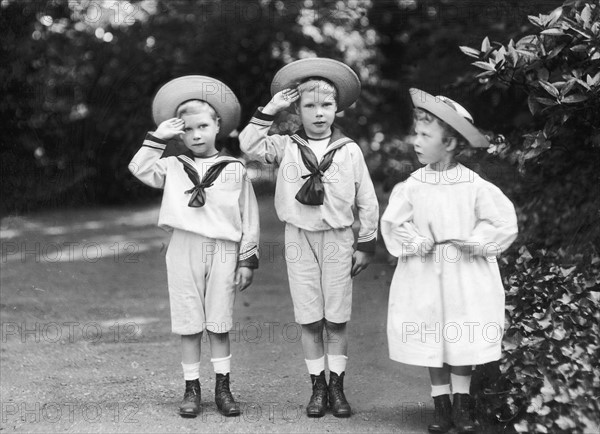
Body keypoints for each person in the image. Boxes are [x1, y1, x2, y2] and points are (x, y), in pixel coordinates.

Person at [239, 58, 379, 418]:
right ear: (297, 109)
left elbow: (367, 200)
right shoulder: (285, 146)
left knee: (336, 318)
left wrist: (366, 244)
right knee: (309, 317)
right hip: (298, 237)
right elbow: (247, 143)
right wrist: (270, 109)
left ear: (337, 108)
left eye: (326, 105)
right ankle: (317, 386)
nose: (319, 113)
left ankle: (337, 386)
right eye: (310, 105)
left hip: (337, 239)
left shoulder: (349, 150)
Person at [381, 88, 518, 433]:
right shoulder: (413, 184)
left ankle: (462, 406)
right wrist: (415, 240)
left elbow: (502, 222)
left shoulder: (473, 185)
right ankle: (440, 406)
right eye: (416, 133)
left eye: (426, 135)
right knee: (432, 334)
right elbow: (394, 222)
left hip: (464, 272)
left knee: (461, 333)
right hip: (425, 271)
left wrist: (477, 242)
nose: (416, 141)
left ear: (452, 143)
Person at [128, 76, 259, 418]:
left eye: (203, 126)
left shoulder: (234, 169)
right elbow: (138, 168)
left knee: (219, 320)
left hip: (223, 249)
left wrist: (247, 259)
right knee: (188, 321)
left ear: (218, 126)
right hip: (184, 246)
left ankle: (223, 387)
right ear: (180, 134)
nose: (196, 135)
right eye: (188, 129)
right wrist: (158, 138)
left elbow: (249, 217)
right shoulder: (173, 166)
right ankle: (191, 388)